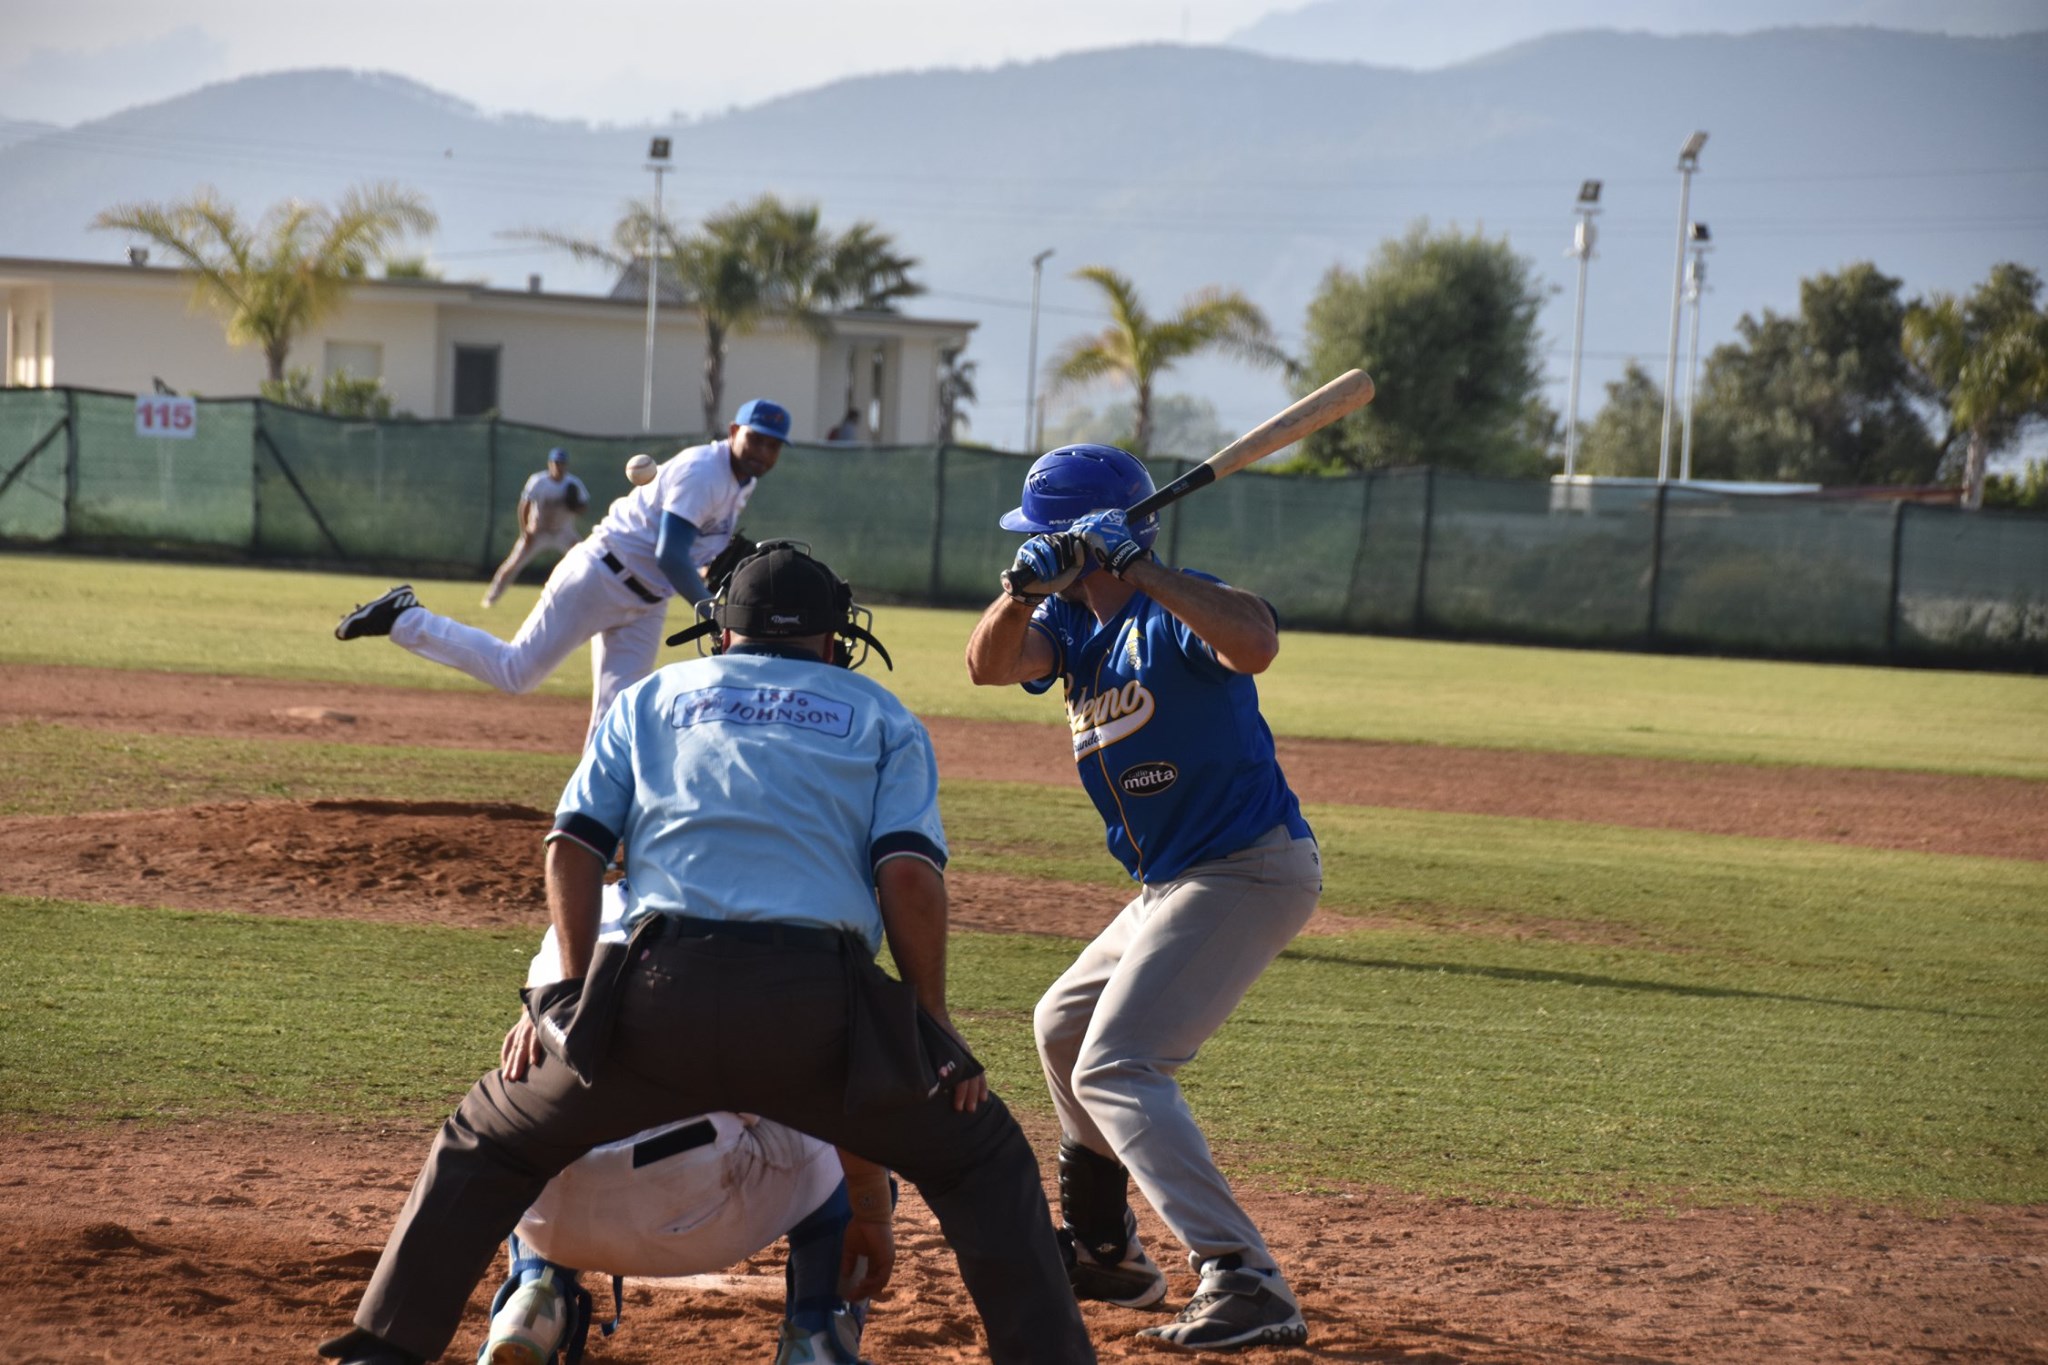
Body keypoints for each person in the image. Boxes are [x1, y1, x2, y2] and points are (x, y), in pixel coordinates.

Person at [317, 541, 1096, 1365]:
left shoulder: (653, 696)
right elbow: (907, 878)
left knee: (487, 1140)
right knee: (983, 1162)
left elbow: (572, 848)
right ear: (835, 642)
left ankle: (391, 1346)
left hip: (655, 996)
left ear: (722, 635)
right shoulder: (879, 714)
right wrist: (931, 1025)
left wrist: (571, 994)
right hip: (818, 1013)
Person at [963, 444, 1321, 1354]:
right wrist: (1022, 589)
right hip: (1172, 883)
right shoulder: (1074, 632)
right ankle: (1105, 1250)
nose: (1037, 544)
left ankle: (1243, 1276)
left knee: (1117, 1063)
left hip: (1247, 866)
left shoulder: (1172, 608)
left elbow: (1257, 640)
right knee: (1060, 1025)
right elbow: (985, 665)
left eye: (1043, 534)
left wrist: (1140, 565)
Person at [473, 882, 891, 1365]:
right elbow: (845, 1099)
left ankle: (533, 1299)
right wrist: (872, 1209)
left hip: (543, 1211)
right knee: (851, 1125)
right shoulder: (774, 925)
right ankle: (818, 1331)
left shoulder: (585, 907)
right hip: (694, 1205)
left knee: (529, 1099)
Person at [333, 398, 793, 746]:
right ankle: (404, 618)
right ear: (734, 430)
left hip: (646, 602)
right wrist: (711, 609)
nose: (763, 452)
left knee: (618, 718)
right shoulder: (704, 471)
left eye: (773, 446)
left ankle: (595, 828)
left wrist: (714, 568)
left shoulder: (741, 479)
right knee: (517, 672)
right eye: (756, 439)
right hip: (600, 577)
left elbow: (691, 552)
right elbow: (670, 554)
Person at [482, 448, 590, 609]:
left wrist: (575, 505)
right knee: (513, 564)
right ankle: (491, 598)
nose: (558, 466)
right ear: (550, 464)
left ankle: (590, 601)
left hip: (563, 531)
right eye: (556, 463)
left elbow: (583, 507)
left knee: (587, 561)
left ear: (566, 465)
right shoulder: (538, 481)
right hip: (538, 531)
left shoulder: (573, 483)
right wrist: (525, 531)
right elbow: (524, 506)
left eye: (561, 463)